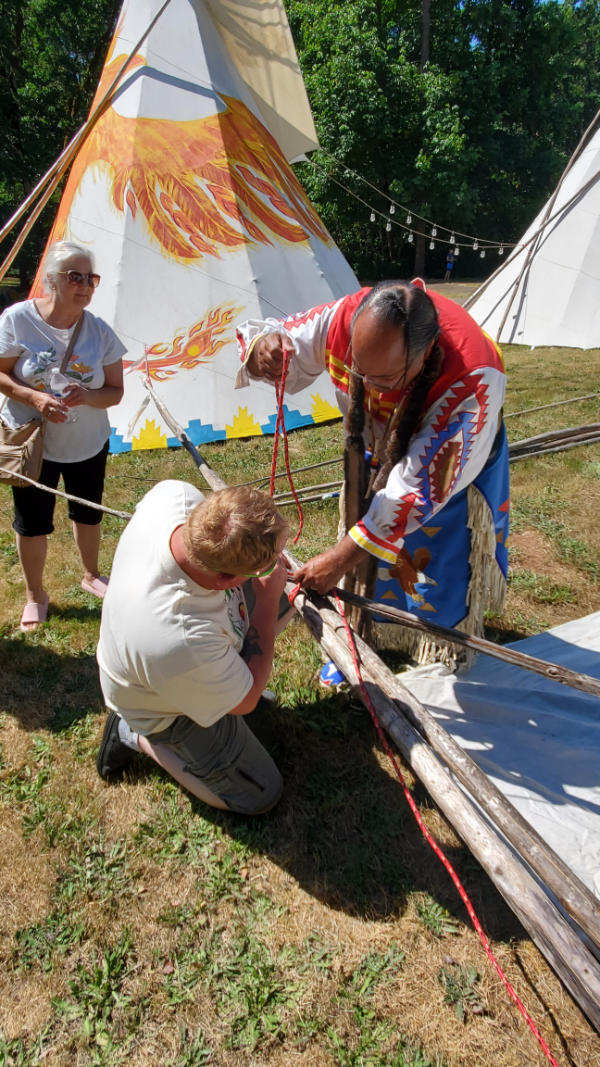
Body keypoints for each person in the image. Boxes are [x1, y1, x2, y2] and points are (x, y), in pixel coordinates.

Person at [236, 280, 509, 664]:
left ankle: (439, 651)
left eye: (384, 379)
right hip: (375, 455)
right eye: (358, 369)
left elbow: (409, 496)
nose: (366, 385)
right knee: (366, 544)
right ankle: (362, 632)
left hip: (449, 480)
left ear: (426, 353)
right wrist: (264, 350)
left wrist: (338, 558)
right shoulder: (344, 318)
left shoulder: (471, 381)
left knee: (437, 563)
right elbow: (277, 337)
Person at [96, 480, 292, 815]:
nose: (280, 566)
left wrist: (272, 595)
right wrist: (266, 601)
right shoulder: (179, 634)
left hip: (172, 660)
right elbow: (246, 703)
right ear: (226, 580)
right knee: (260, 793)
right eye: (267, 565)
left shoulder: (176, 496)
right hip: (162, 708)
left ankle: (219, 683)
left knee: (286, 601)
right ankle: (133, 733)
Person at [0, 240, 125, 632]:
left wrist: (87, 395)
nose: (86, 284)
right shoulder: (17, 319)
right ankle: (36, 595)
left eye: (91, 277)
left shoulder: (100, 332)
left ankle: (91, 575)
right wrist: (34, 397)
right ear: (51, 281)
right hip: (33, 444)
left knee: (88, 512)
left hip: (86, 442)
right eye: (75, 276)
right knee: (32, 521)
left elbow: (116, 391)